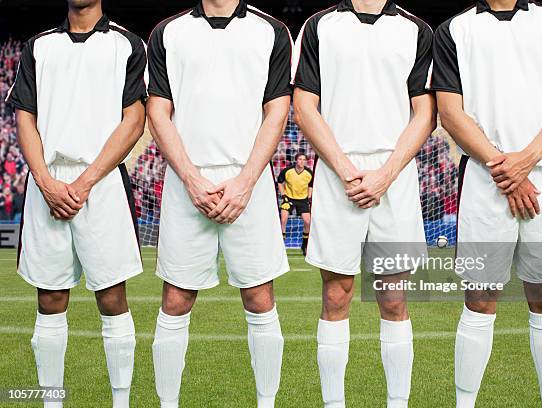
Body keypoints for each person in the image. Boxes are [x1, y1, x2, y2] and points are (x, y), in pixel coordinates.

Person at [431, 0, 542, 407]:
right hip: (487, 181)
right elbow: (450, 112)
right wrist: (505, 166)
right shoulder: (454, 29)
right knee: (479, 298)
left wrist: (528, 159)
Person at [146, 1, 292, 407]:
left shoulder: (272, 30)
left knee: (260, 297)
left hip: (250, 179)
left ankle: (267, 402)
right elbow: (158, 111)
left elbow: (277, 110)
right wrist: (191, 178)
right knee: (175, 299)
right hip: (186, 178)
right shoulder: (168, 32)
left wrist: (246, 182)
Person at [292, 0, 436, 406]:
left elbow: (425, 113)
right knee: (336, 295)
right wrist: (344, 169)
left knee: (393, 298)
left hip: (395, 174)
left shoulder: (416, 29)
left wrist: (386, 174)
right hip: (339, 174)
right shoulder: (319, 26)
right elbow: (303, 107)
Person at [6, 0, 147, 407]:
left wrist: (84, 182)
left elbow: (134, 121)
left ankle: (120, 401)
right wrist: (47, 182)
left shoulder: (127, 44)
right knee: (50, 298)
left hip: (101, 182)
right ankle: (52, 401)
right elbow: (25, 118)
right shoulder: (39, 46)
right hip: (46, 180)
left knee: (112, 297)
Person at [277, 152, 313, 254]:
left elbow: (311, 185)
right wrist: (284, 196)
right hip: (289, 198)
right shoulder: (288, 171)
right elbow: (280, 182)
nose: (302, 161)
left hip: (302, 200)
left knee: (307, 221)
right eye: (300, 159)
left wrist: (309, 197)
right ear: (296, 160)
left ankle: (304, 245)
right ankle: (281, 246)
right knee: (283, 219)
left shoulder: (309, 173)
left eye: (304, 160)